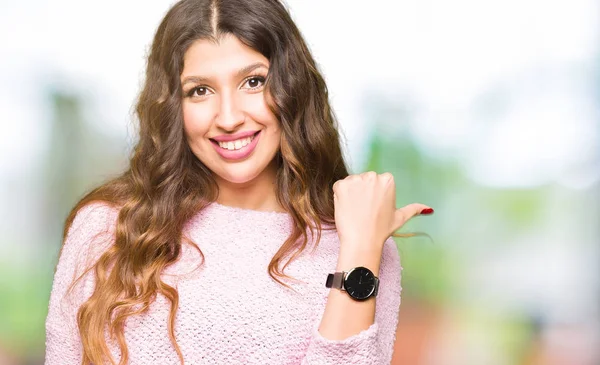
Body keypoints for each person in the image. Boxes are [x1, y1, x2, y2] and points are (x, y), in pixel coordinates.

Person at [45, 0, 434, 364]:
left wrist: (361, 250)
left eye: (253, 82)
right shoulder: (108, 227)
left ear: (291, 87)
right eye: (200, 90)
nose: (229, 117)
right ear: (173, 109)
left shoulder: (359, 246)